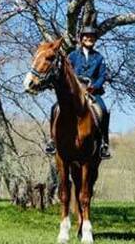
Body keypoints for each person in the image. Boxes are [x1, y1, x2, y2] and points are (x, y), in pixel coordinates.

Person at [45, 26, 112, 160]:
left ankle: (104, 143)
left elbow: (102, 75)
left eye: (92, 37)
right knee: (55, 108)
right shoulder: (73, 55)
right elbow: (67, 73)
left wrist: (94, 86)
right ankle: (52, 140)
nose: (89, 39)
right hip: (74, 92)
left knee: (103, 110)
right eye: (86, 36)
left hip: (92, 91)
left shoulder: (99, 58)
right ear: (81, 39)